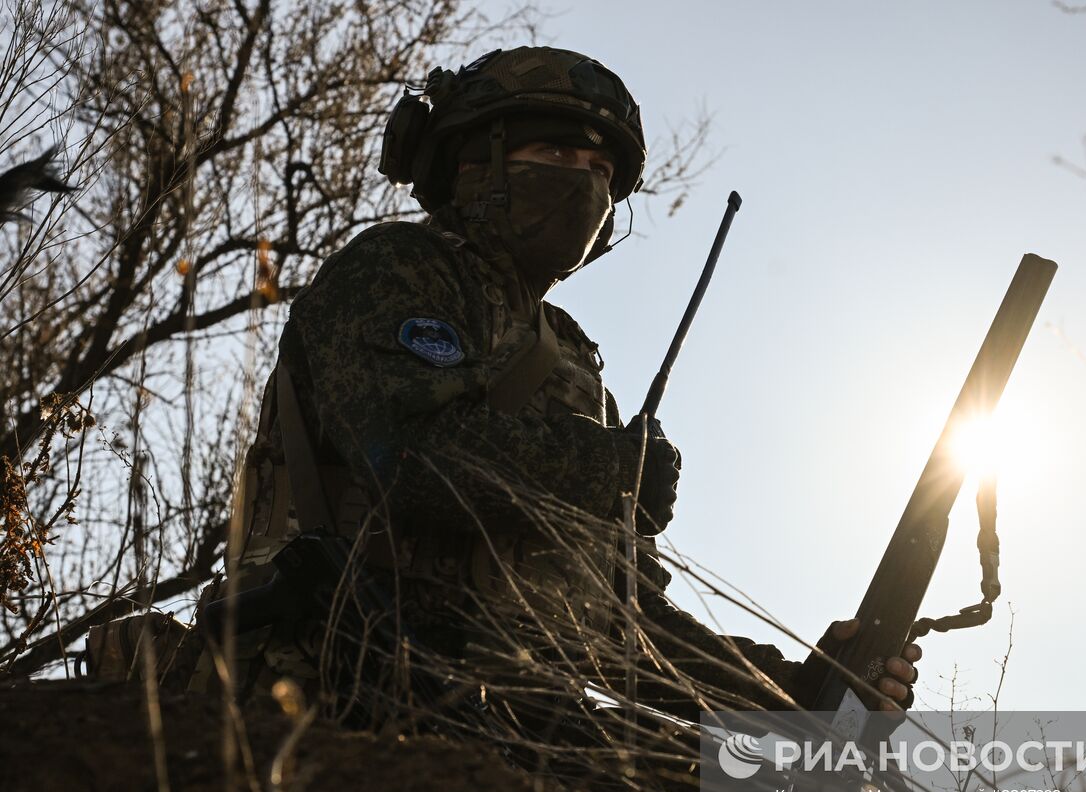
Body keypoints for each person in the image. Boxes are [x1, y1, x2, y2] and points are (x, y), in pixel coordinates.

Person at [181, 46, 921, 732]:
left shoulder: (570, 359)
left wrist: (796, 686)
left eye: (602, 169)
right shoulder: (396, 271)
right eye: (558, 153)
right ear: (478, 161)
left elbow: (620, 617)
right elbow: (410, 459)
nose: (585, 183)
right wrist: (608, 468)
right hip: (322, 682)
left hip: (513, 713)